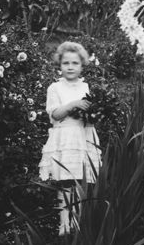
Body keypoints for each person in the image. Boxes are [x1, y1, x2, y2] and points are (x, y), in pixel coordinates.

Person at [38, 41, 101, 234]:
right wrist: (74, 104)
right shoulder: (55, 88)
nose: (70, 67)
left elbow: (92, 116)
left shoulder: (87, 87)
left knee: (80, 183)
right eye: (66, 63)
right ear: (60, 65)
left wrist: (94, 114)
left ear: (82, 65)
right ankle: (64, 224)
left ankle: (77, 224)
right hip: (65, 139)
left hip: (83, 138)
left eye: (75, 63)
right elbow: (55, 115)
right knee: (65, 182)